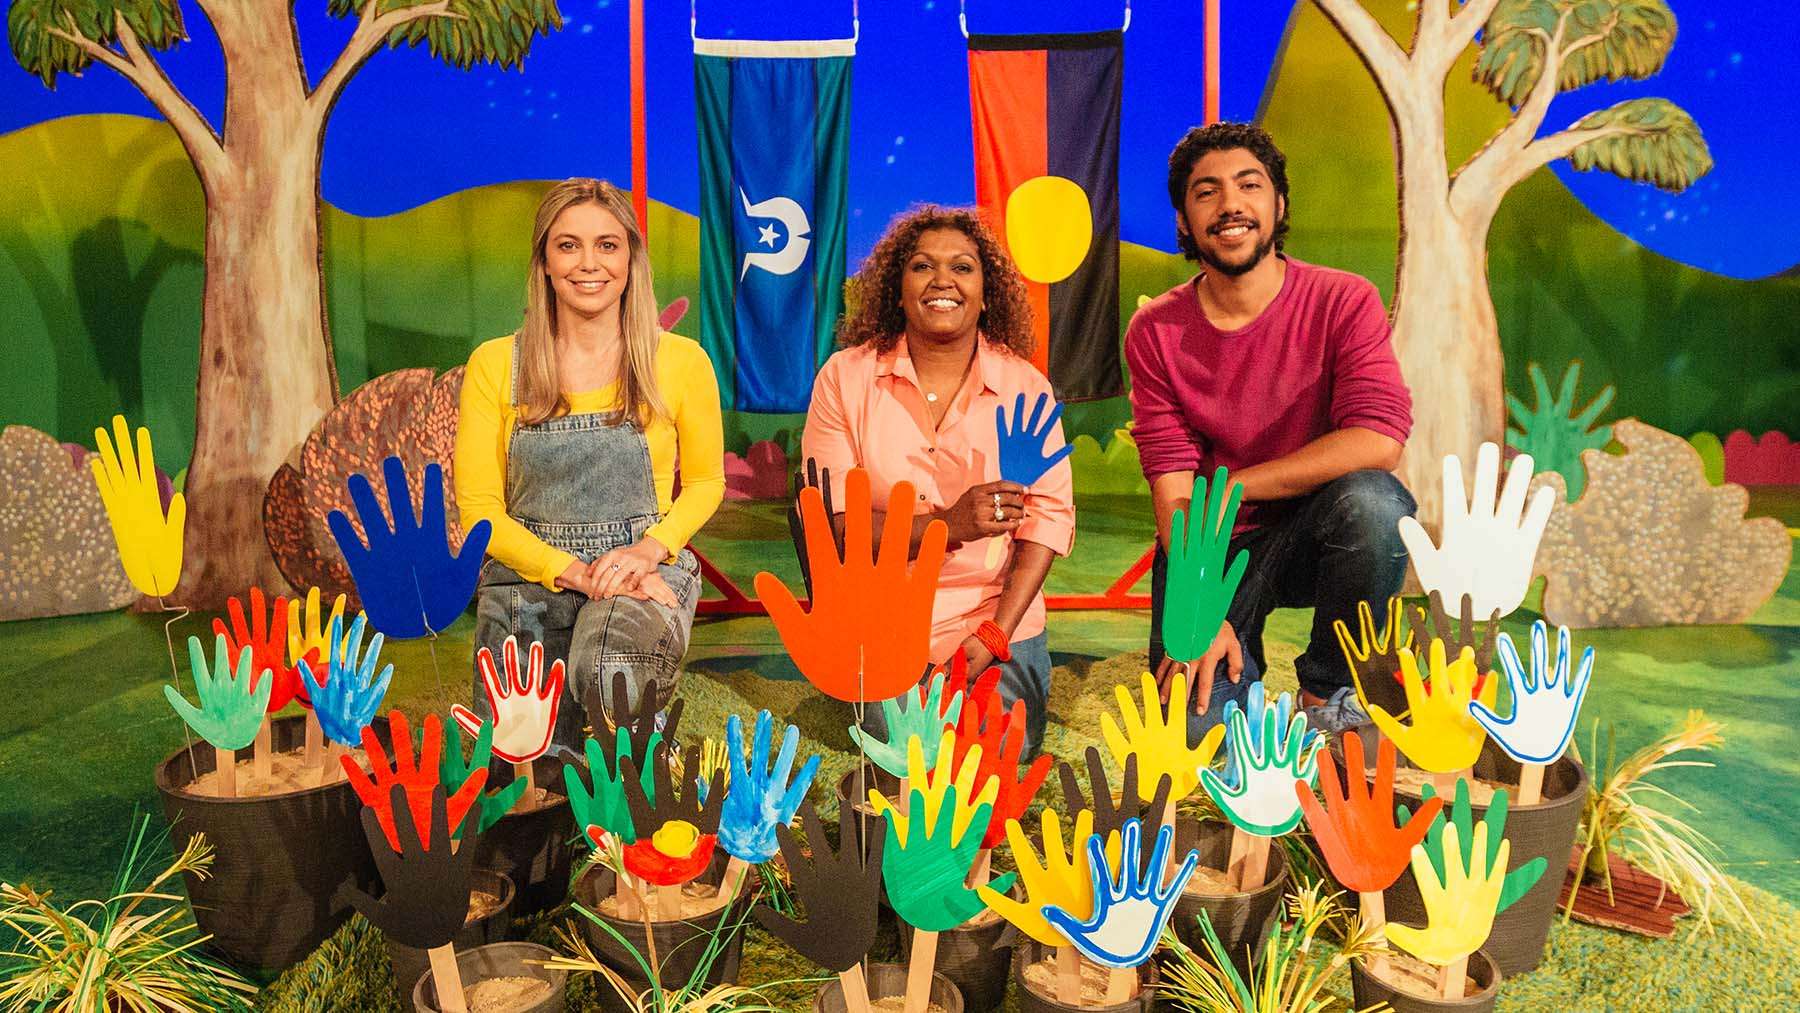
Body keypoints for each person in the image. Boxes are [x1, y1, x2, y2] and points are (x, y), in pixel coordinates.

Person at [1127, 123, 1415, 737]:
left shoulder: (1344, 299)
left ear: (1278, 205)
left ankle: (1327, 691)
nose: (1230, 204)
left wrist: (1235, 485)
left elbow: (1378, 438)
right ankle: (1236, 685)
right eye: (1206, 192)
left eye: (1248, 185)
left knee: (1375, 504)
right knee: (1197, 735)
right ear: (1183, 220)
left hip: (1320, 533)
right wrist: (1201, 612)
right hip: (1210, 546)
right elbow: (1173, 485)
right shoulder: (1155, 331)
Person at [454, 178, 724, 758]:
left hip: (642, 572)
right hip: (528, 579)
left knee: (611, 679)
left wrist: (646, 552)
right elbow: (479, 511)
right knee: (521, 760)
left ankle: (652, 816)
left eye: (607, 245)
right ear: (545, 262)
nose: (588, 264)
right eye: (568, 245)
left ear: (631, 259)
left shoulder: (678, 361)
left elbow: (705, 484)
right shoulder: (496, 365)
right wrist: (573, 572)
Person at [801, 205, 1075, 754]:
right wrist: (948, 524)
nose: (943, 280)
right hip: (880, 622)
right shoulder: (845, 378)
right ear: (896, 289)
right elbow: (835, 529)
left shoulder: (1025, 387)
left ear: (986, 291)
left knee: (997, 754)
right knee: (902, 749)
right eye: (923, 266)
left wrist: (994, 634)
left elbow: (1048, 520)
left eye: (964, 268)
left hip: (995, 619)